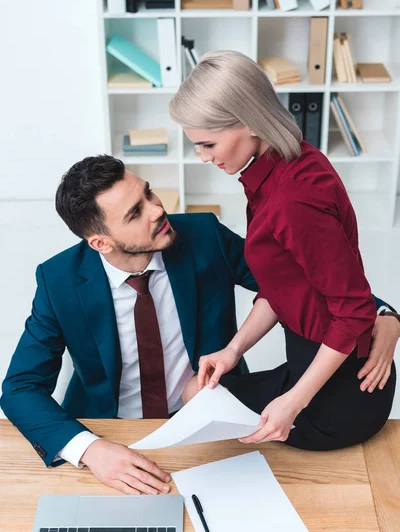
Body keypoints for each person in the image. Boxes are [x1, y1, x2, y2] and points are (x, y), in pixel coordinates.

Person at [1, 158, 396, 491]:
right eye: (135, 213)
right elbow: (19, 388)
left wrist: (385, 315)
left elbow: (303, 280)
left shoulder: (203, 236)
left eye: (148, 193)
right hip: (113, 432)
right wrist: (90, 448)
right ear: (101, 242)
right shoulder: (59, 281)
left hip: (213, 424)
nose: (157, 210)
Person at [169, 50, 399, 451]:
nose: (203, 158)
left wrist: (294, 401)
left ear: (248, 122)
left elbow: (353, 309)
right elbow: (281, 286)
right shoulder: (280, 166)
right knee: (199, 394)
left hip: (340, 393)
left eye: (208, 144)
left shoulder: (293, 199)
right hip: (315, 363)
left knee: (196, 399)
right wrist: (232, 350)